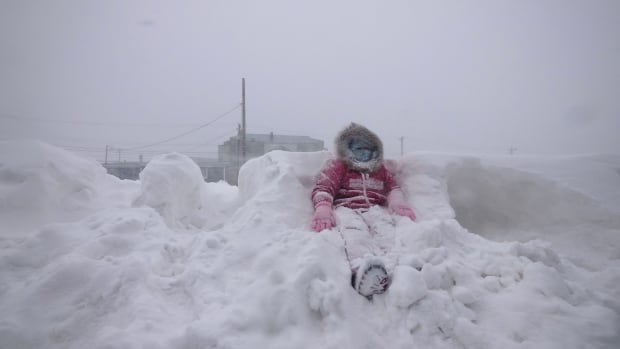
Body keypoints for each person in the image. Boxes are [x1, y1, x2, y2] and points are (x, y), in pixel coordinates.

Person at [310, 122, 416, 298]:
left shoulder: (380, 170)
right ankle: (362, 270)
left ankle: (395, 269)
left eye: (369, 149)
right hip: (347, 209)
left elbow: (393, 188)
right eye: (359, 149)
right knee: (355, 234)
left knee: (386, 232)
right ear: (347, 150)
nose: (365, 153)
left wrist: (397, 203)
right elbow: (324, 187)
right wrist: (323, 208)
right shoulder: (339, 167)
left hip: (374, 209)